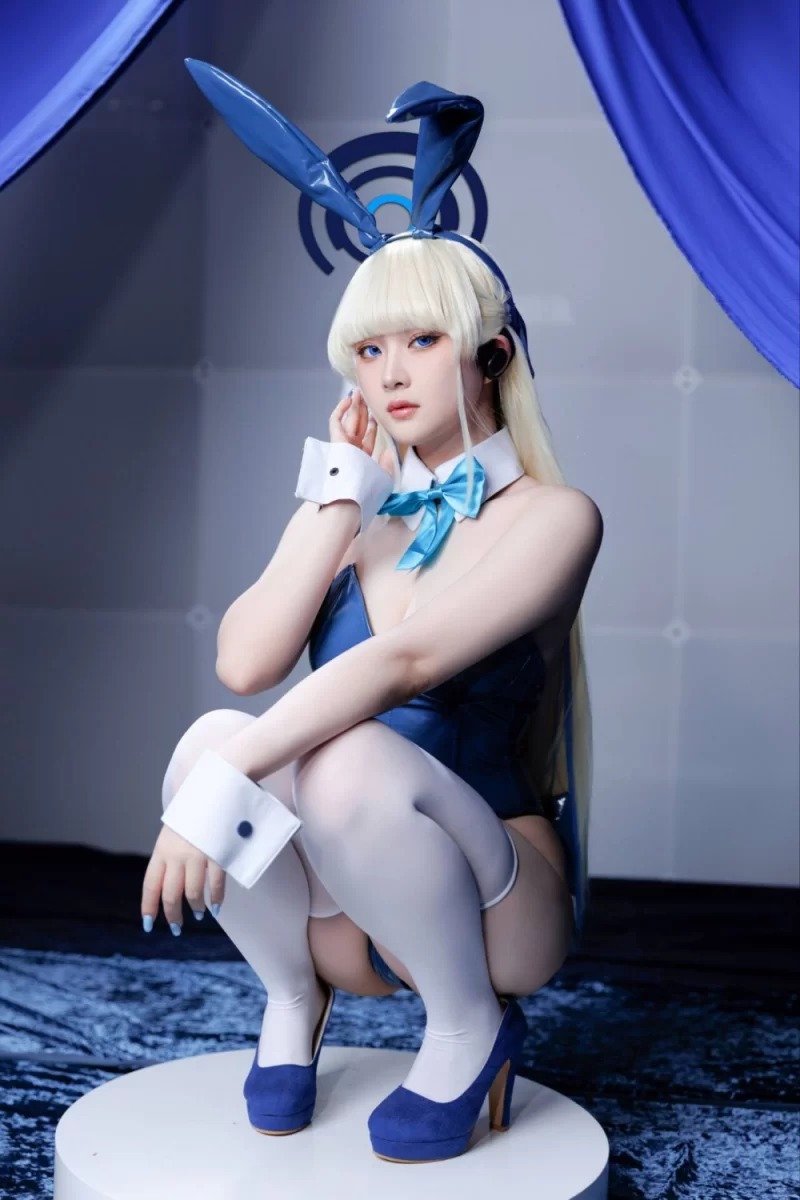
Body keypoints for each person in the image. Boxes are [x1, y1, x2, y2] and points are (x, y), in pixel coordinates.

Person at [141, 65, 603, 1165]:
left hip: (495, 909)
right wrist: (337, 501)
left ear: (491, 354)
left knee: (322, 759)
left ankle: (468, 1027)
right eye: (369, 349)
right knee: (209, 736)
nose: (390, 374)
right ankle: (291, 998)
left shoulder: (557, 517)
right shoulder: (359, 517)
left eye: (421, 341)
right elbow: (246, 661)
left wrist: (220, 792)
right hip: (346, 910)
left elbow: (408, 662)